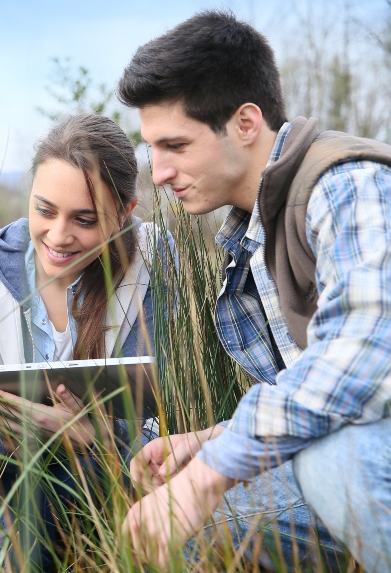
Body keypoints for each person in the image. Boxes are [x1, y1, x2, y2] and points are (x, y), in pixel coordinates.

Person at [117, 11, 391, 572]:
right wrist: (211, 440)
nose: (160, 172)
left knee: (330, 464)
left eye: (175, 145)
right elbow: (314, 384)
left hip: (360, 450)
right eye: (152, 150)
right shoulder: (252, 232)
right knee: (204, 533)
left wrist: (215, 469)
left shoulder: (348, 185)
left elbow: (364, 359)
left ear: (245, 123)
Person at [0, 113, 168, 569]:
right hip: (7, 475)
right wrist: (14, 434)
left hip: (118, 476)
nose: (59, 236)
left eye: (84, 220)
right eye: (44, 211)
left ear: (126, 212)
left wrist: (92, 435)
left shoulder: (157, 265)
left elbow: (160, 414)